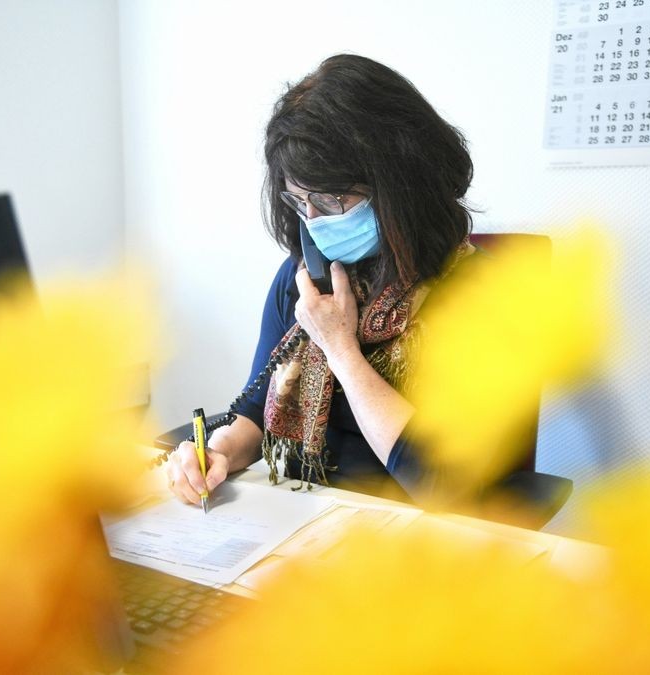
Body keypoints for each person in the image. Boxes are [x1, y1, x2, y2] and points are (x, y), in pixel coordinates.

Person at [166, 53, 475, 505]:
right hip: (298, 513)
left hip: (414, 539)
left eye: (330, 199)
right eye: (298, 202)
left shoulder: (480, 294)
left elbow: (440, 482)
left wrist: (340, 349)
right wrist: (218, 455)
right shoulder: (305, 279)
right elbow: (255, 410)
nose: (312, 221)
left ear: (399, 183)